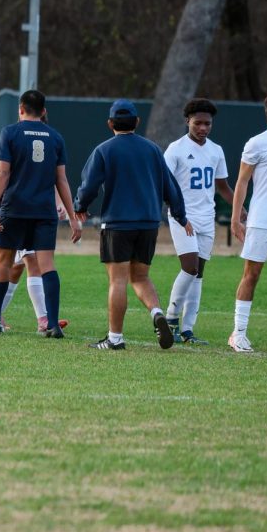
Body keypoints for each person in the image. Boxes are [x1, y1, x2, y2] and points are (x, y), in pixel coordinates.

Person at [73, 99, 188, 350]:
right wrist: (181, 215)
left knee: (118, 281)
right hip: (148, 223)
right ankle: (157, 311)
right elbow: (170, 185)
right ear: (137, 121)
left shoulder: (104, 150)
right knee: (141, 276)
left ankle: (115, 338)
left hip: (118, 223)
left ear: (110, 123)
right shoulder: (153, 150)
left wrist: (79, 206)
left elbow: (89, 185)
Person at [0, 89, 81, 336]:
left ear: (20, 109)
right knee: (47, 264)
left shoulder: (11, 133)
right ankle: (53, 325)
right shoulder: (55, 137)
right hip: (44, 212)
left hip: (14, 209)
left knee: (3, 261)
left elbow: (2, 172)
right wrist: (73, 217)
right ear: (44, 111)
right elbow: (62, 180)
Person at [162, 99, 236, 344]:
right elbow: (164, 183)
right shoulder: (176, 149)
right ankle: (171, 318)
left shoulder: (216, 150)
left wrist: (240, 209)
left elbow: (222, 186)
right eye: (198, 123)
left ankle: (188, 330)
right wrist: (176, 211)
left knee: (199, 273)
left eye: (207, 123)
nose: (203, 128)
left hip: (207, 218)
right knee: (190, 267)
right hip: (183, 217)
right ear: (188, 122)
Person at [227, 89, 267, 353]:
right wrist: (236, 217)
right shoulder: (257, 143)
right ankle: (238, 334)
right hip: (262, 220)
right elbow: (242, 182)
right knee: (251, 275)